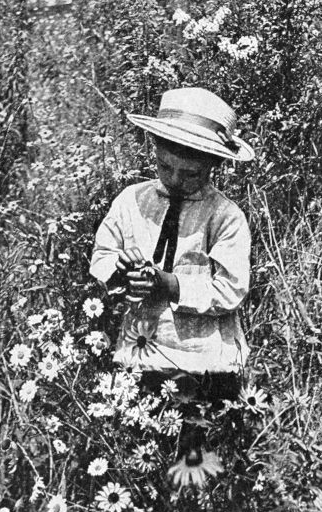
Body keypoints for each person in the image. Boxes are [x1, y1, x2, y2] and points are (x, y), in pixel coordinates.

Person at [89, 86, 254, 404]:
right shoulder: (132, 201)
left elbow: (232, 289)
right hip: (139, 352)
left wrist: (171, 285)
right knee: (140, 436)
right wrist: (120, 272)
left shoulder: (225, 216)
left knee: (197, 439)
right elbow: (103, 256)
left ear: (213, 165)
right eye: (165, 167)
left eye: (191, 174)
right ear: (154, 151)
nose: (176, 180)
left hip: (203, 358)